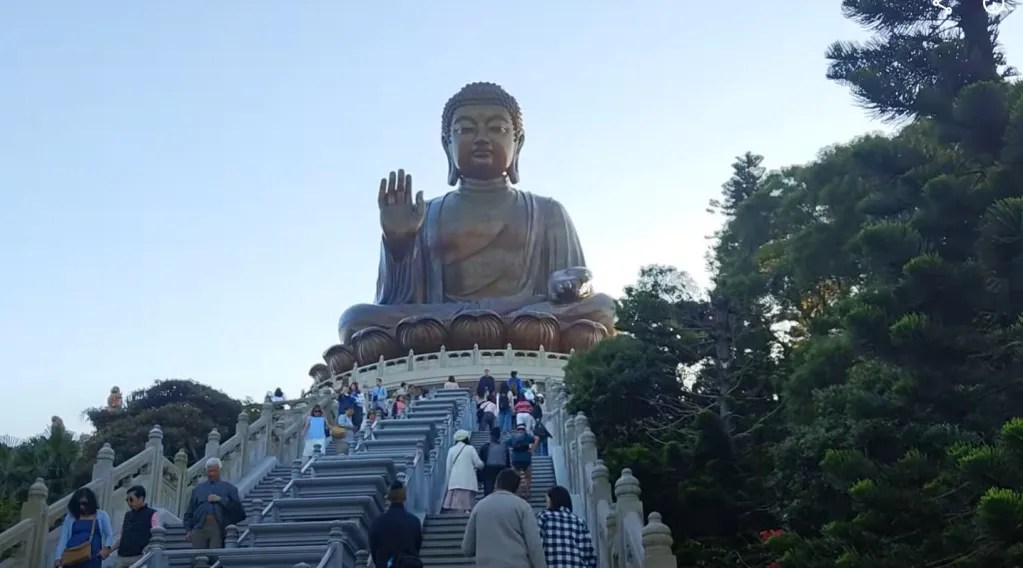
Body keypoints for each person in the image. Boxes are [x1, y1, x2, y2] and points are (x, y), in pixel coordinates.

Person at [461, 468, 547, 568]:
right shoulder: (522, 506)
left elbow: (467, 548)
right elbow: (534, 545)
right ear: (517, 487)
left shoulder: (479, 507)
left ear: (496, 484)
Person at [183, 457, 245, 550]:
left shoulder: (229, 488)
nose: (212, 474)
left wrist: (220, 499)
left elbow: (239, 512)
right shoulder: (198, 489)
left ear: (220, 470)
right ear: (206, 471)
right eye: (210, 471)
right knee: (198, 556)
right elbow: (189, 512)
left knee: (215, 555)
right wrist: (188, 530)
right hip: (199, 527)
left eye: (214, 471)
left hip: (219, 527)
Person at [536, 486, 597, 568]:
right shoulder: (579, 521)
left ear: (552, 500)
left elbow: (537, 546)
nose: (546, 504)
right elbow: (589, 554)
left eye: (547, 500)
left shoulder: (543, 517)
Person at [54, 487, 114, 568]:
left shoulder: (101, 515)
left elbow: (109, 534)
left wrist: (106, 548)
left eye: (84, 503)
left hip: (92, 558)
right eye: (79, 504)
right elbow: (64, 538)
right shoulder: (71, 517)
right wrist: (58, 557)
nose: (81, 507)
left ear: (91, 502)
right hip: (71, 556)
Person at [369, 481, 423, 568]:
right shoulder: (414, 521)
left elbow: (373, 548)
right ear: (404, 497)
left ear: (389, 497)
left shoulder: (377, 522)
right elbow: (417, 547)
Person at [112, 485, 160, 568]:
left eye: (131, 499)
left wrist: (148, 548)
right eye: (127, 500)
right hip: (121, 559)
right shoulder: (127, 515)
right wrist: (110, 549)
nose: (129, 503)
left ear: (141, 498)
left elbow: (157, 537)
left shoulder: (152, 514)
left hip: (139, 559)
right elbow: (122, 538)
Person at [443, 429, 484, 513]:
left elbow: (448, 467)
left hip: (455, 482)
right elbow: (478, 464)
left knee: (457, 504)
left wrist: (449, 482)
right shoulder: (470, 448)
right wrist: (483, 465)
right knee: (467, 503)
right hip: (468, 481)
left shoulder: (451, 450)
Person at [506, 423, 538, 497]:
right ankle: (527, 492)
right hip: (526, 459)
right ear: (524, 429)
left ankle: (518, 492)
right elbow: (537, 438)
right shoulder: (527, 436)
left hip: (515, 460)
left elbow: (505, 444)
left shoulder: (513, 437)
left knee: (516, 477)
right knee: (527, 477)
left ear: (517, 430)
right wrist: (532, 450)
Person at [477, 426, 509, 496]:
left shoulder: (485, 447)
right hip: (501, 473)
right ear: (499, 436)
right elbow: (508, 463)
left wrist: (479, 478)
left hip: (488, 472)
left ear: (490, 435)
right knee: (500, 491)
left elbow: (480, 463)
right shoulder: (504, 447)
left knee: (488, 492)